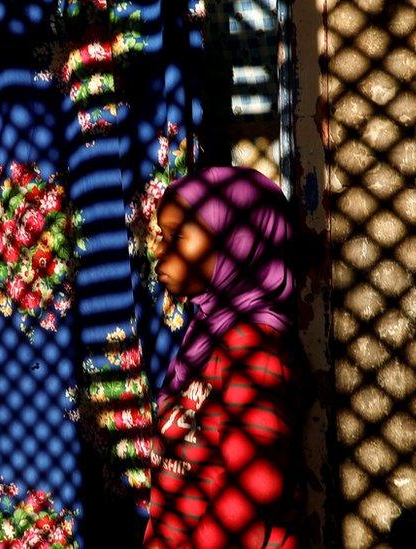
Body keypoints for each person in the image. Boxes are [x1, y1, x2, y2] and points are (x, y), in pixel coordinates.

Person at [143, 166, 304, 548]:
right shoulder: (204, 338)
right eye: (162, 237)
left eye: (179, 237)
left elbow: (245, 502)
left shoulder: (256, 353)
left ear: (237, 240)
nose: (161, 254)